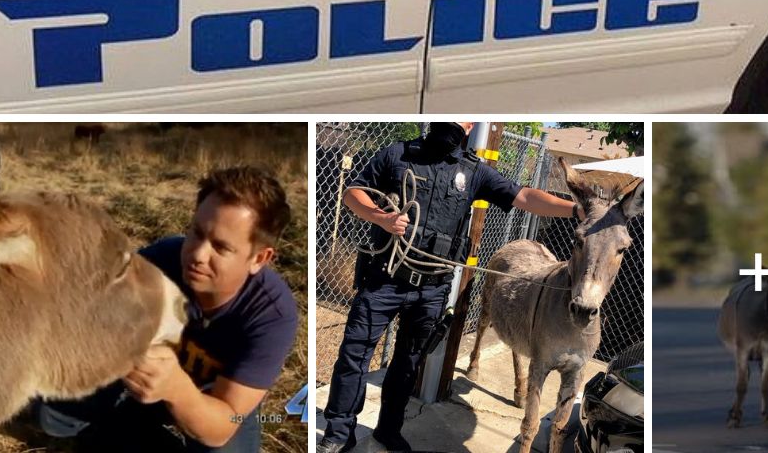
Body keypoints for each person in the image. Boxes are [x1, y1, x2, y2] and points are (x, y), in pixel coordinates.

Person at [317, 122, 586, 453]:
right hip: (384, 278)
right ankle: (339, 433)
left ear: (471, 124)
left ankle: (388, 430)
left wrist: (576, 209)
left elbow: (525, 196)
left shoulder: (475, 172)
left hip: (431, 289)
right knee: (354, 357)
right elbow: (352, 192)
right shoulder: (397, 154)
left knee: (407, 363)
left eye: (462, 116)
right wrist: (381, 218)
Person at [39, 166, 300, 453]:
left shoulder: (271, 315)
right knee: (54, 417)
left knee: (222, 442)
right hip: (140, 381)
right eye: (196, 233)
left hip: (216, 399)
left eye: (221, 248)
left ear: (259, 258)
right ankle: (126, 425)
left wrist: (177, 390)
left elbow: (224, 424)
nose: (198, 254)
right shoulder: (161, 261)